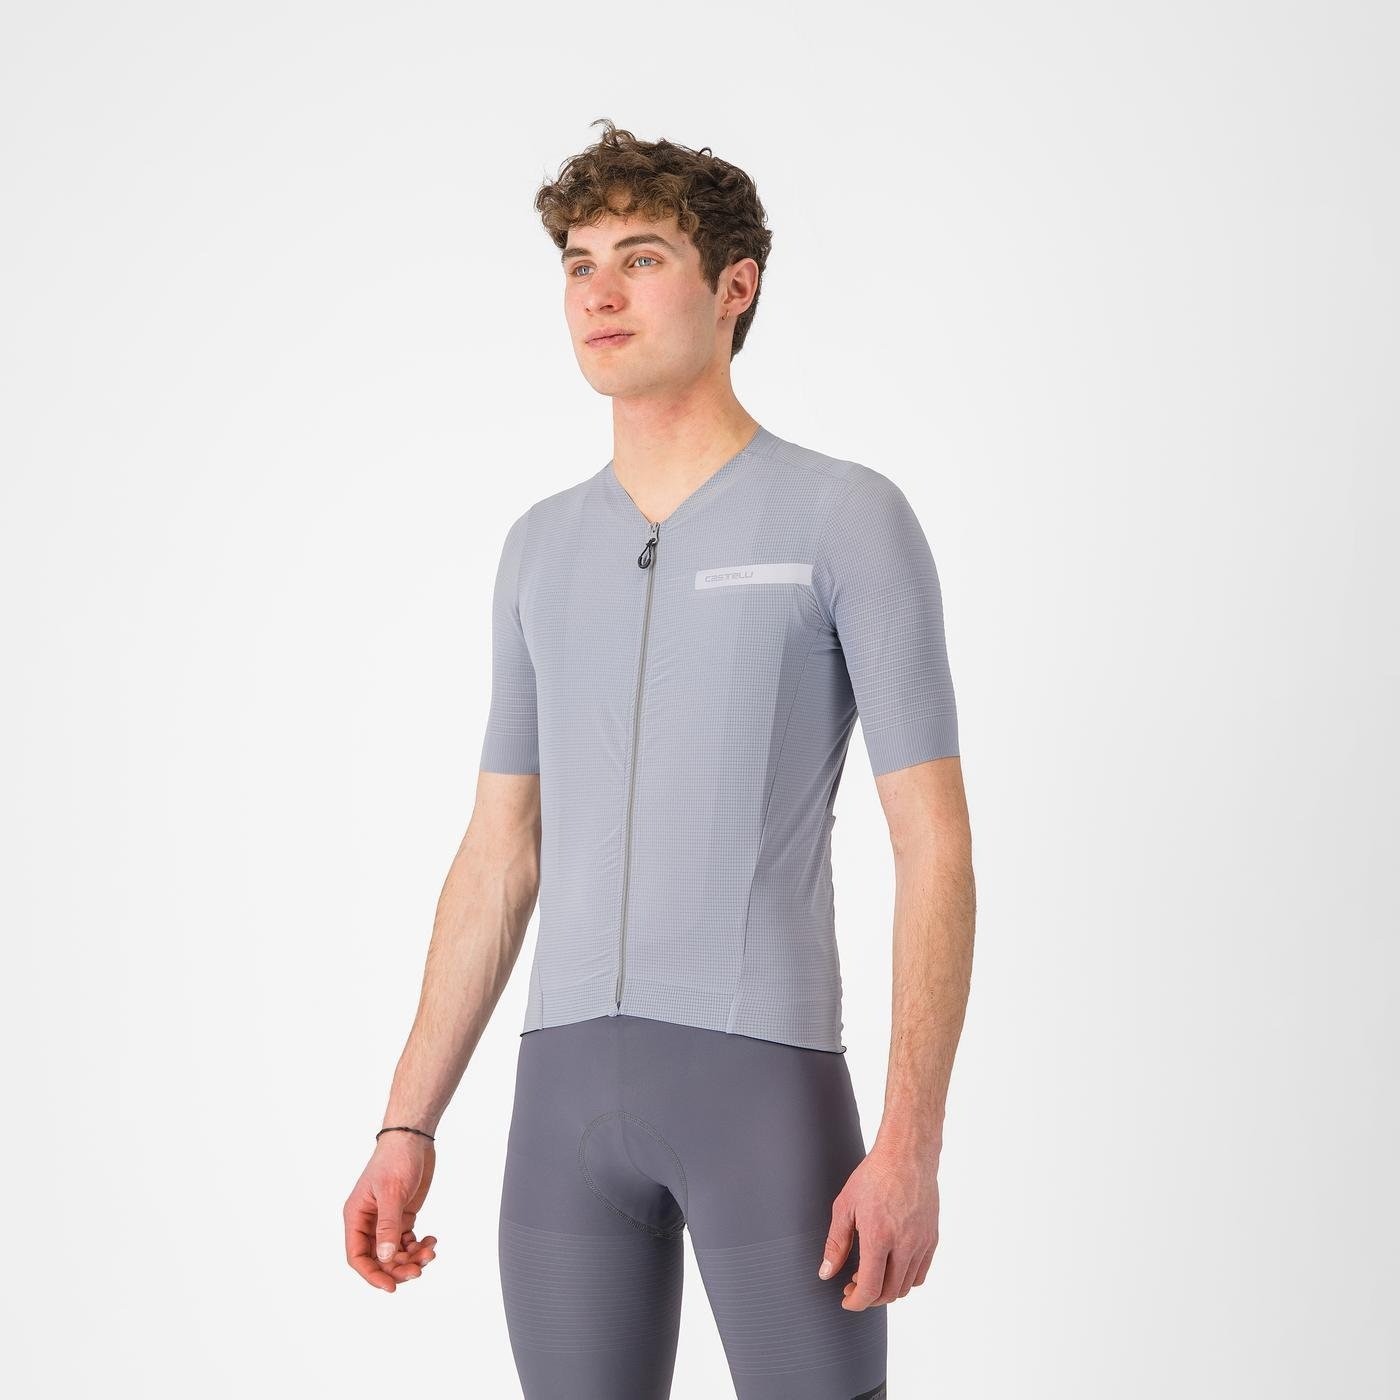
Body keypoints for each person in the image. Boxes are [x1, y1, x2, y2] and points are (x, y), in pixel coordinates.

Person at [343, 118, 976, 1400]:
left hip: (763, 1099)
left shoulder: (843, 515)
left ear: (734, 286)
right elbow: (499, 850)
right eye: (578, 264)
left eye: (640, 258)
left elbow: (934, 845)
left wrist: (909, 1142)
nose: (600, 293)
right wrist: (407, 1119)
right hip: (561, 1105)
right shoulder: (538, 546)